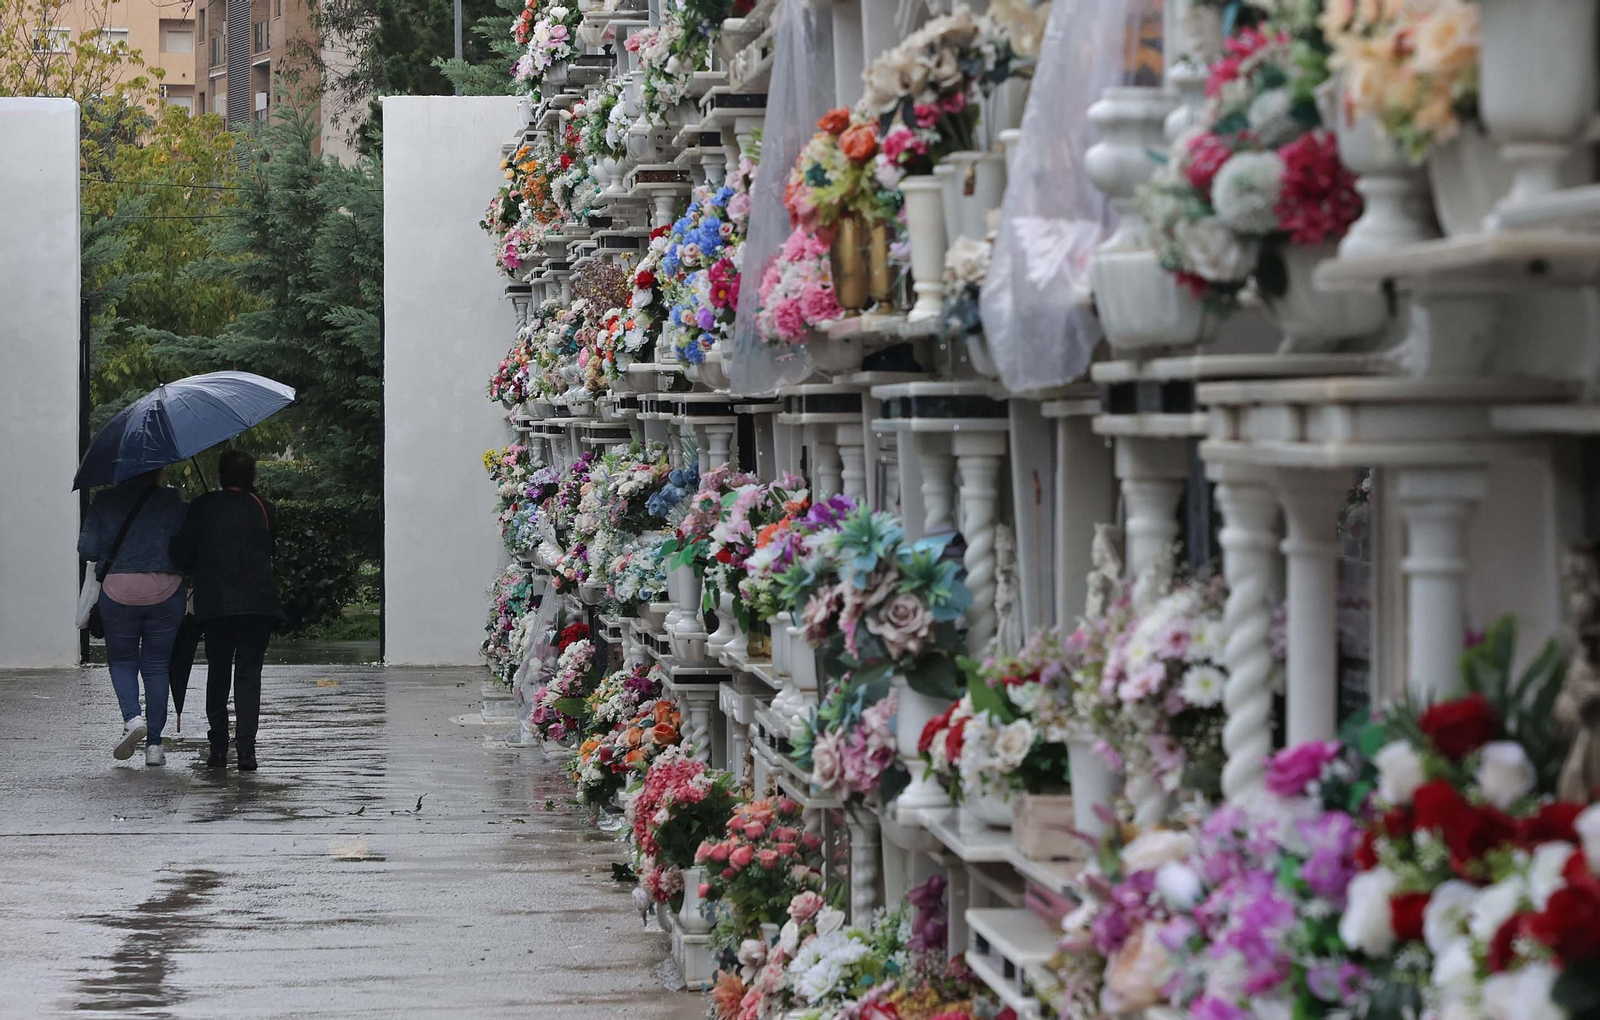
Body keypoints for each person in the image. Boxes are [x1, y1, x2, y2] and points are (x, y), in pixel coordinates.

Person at [171, 450, 280, 771]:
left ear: (220, 475)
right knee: (249, 676)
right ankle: (247, 751)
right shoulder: (264, 508)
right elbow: (269, 546)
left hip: (216, 605)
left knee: (218, 673)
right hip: (258, 605)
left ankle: (218, 746)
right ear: (253, 477)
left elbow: (185, 554)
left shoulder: (203, 507)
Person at [78, 468, 189, 766]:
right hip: (167, 590)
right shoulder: (172, 499)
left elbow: (86, 548)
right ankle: (155, 746)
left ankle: (132, 719)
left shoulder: (105, 500)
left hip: (118, 590)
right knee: (156, 665)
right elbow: (188, 543)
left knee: (123, 661)